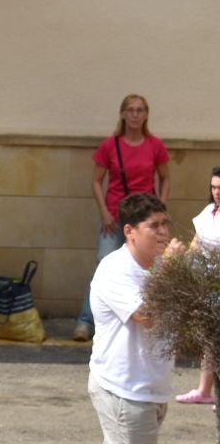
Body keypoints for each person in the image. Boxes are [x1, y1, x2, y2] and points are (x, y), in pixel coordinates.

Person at [62, 192, 178, 444]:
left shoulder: (157, 266)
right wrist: (175, 272)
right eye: (154, 226)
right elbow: (148, 316)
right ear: (129, 231)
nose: (163, 233)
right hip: (124, 392)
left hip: (148, 390)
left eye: (165, 224)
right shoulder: (116, 270)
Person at [78, 94, 171, 341]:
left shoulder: (154, 145)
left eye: (140, 110)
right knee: (104, 262)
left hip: (144, 219)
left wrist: (161, 206)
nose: (135, 115)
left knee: (148, 264)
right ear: (122, 114)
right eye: (130, 110)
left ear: (146, 114)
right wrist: (104, 212)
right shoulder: (111, 145)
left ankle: (146, 313)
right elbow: (96, 182)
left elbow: (165, 177)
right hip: (114, 216)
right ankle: (86, 321)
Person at [183, 168, 220, 403]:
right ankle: (204, 390)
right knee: (210, 338)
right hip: (207, 284)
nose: (217, 192)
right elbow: (196, 243)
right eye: (214, 187)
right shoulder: (209, 211)